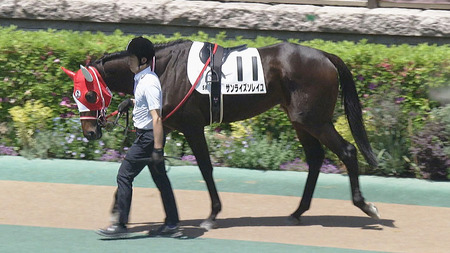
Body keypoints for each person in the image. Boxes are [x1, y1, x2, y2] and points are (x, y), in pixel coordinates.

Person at [97, 36, 181, 238]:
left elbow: (157, 118)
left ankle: (121, 225)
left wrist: (158, 149)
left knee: (124, 175)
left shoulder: (150, 83)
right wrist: (132, 102)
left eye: (131, 57)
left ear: (143, 60)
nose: (128, 61)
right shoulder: (141, 79)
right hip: (148, 137)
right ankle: (172, 223)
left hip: (147, 138)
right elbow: (146, 103)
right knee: (161, 180)